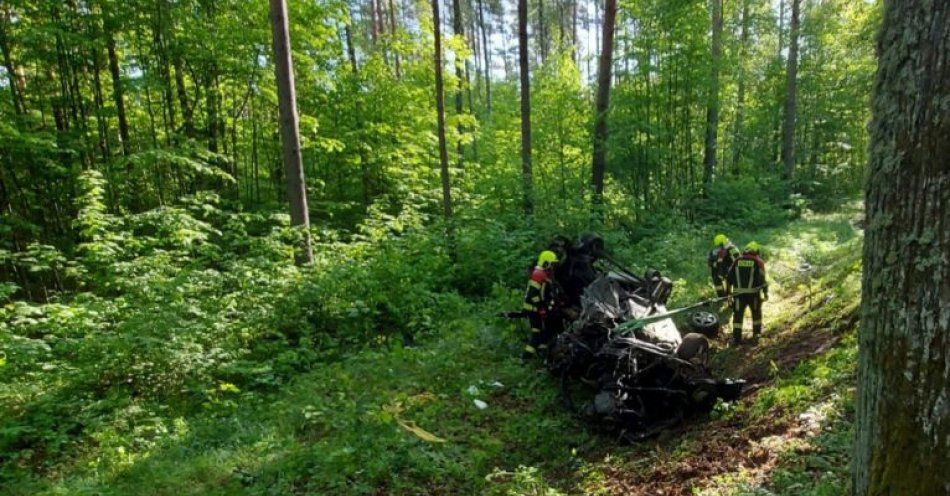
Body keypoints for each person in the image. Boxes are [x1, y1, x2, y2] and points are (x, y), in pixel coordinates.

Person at [726, 241, 768, 345]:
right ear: (756, 251)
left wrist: (728, 294)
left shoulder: (737, 260)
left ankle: (736, 339)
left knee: (737, 316)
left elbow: (729, 278)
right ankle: (756, 336)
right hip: (753, 295)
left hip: (738, 295)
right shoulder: (758, 261)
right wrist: (765, 292)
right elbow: (762, 279)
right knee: (756, 314)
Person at [522, 250, 559, 359]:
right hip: (533, 309)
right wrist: (541, 307)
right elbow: (533, 295)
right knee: (536, 334)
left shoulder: (543, 274)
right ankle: (525, 358)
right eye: (552, 264)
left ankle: (542, 354)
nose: (553, 267)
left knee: (544, 332)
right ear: (546, 263)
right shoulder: (538, 274)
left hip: (536, 309)